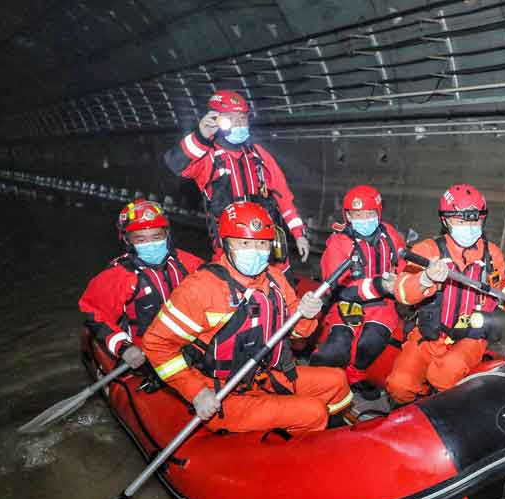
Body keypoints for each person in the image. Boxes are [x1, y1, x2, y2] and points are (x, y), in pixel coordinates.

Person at [142, 201, 352, 435]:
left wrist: (308, 315)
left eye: (262, 243)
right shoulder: (201, 288)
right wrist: (196, 392)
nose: (255, 250)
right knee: (313, 412)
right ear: (226, 244)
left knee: (337, 380)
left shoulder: (275, 279)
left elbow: (298, 334)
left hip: (262, 375)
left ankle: (335, 436)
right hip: (221, 392)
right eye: (244, 243)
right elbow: (156, 344)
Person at [386, 184, 505, 404]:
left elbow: (501, 287)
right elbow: (402, 292)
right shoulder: (427, 251)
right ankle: (419, 407)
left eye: (475, 221)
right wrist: (425, 278)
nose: (469, 227)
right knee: (399, 385)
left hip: (470, 337)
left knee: (444, 374)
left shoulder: (491, 255)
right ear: (445, 221)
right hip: (430, 334)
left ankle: (448, 402)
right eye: (461, 221)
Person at [163, 89, 310, 265]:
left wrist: (299, 234)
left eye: (242, 118)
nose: (239, 123)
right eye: (230, 118)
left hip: (266, 246)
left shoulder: (258, 155)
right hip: (229, 252)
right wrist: (201, 136)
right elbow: (175, 163)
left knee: (279, 281)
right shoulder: (207, 156)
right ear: (215, 119)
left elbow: (283, 196)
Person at [80, 199, 204, 370]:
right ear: (127, 241)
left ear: (167, 235)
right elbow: (96, 314)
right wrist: (124, 347)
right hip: (145, 357)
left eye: (156, 237)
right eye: (140, 239)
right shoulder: (118, 276)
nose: (151, 244)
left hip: (190, 348)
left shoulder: (190, 264)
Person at [310, 185, 405, 392]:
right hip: (347, 303)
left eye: (369, 213)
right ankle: (318, 378)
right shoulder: (338, 242)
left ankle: (355, 374)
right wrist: (379, 285)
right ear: (348, 216)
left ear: (378, 213)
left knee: (371, 340)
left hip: (382, 304)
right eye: (357, 214)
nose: (364, 219)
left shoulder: (389, 235)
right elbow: (338, 287)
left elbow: (403, 265)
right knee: (337, 348)